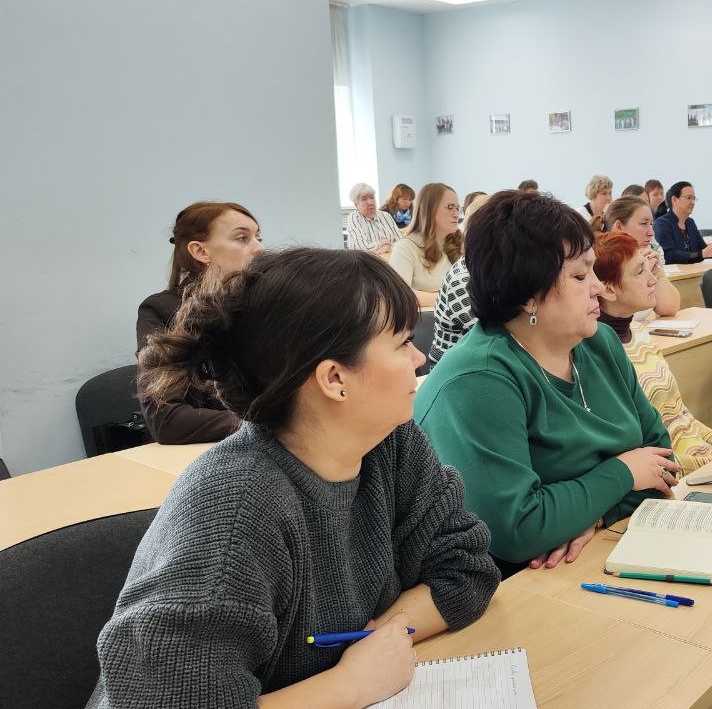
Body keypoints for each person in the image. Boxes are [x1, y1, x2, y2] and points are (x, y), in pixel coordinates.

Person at [94, 247, 500, 708]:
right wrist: (351, 684)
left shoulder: (389, 442)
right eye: (402, 343)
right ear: (335, 379)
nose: (420, 357)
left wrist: (382, 640)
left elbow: (466, 569)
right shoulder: (237, 509)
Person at [415, 191, 680, 577]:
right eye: (579, 276)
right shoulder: (478, 380)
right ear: (528, 296)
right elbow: (517, 530)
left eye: (593, 271)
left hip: (596, 551)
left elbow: (663, 461)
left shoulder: (600, 343)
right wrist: (624, 472)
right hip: (514, 582)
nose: (598, 287)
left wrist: (591, 516)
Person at [136, 202, 263, 444]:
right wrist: (272, 425)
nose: (260, 248)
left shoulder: (263, 305)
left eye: (258, 237)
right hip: (222, 451)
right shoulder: (161, 310)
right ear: (200, 251)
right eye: (242, 238)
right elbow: (166, 420)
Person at [594, 233, 712, 473]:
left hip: (700, 457)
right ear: (608, 289)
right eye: (640, 272)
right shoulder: (597, 352)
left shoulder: (638, 331)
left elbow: (677, 412)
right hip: (672, 472)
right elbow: (638, 449)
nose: (653, 279)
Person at [426, 194, 492, 371]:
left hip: (481, 366)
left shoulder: (489, 270)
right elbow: (494, 339)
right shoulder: (462, 280)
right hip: (455, 373)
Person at [390, 183, 463, 307]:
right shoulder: (405, 247)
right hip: (426, 318)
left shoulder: (461, 242)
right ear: (429, 210)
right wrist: (452, 298)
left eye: (457, 208)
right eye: (450, 207)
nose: (456, 214)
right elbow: (400, 295)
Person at [604, 195, 679, 316]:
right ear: (619, 227)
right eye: (644, 223)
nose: (651, 233)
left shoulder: (646, 257)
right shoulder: (606, 264)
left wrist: (657, 271)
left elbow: (669, 308)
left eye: (651, 224)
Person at [654, 181, 712, 263]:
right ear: (674, 200)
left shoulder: (690, 222)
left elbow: (701, 249)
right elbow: (670, 256)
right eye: (688, 198)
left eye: (694, 198)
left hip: (693, 269)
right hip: (674, 270)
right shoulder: (662, 224)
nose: (693, 202)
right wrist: (703, 253)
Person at [345, 183, 400, 255]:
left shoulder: (386, 216)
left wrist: (387, 247)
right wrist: (380, 243)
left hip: (389, 259)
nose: (370, 202)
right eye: (364, 199)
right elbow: (362, 248)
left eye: (372, 197)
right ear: (356, 204)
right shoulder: (354, 218)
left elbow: (401, 242)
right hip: (362, 261)